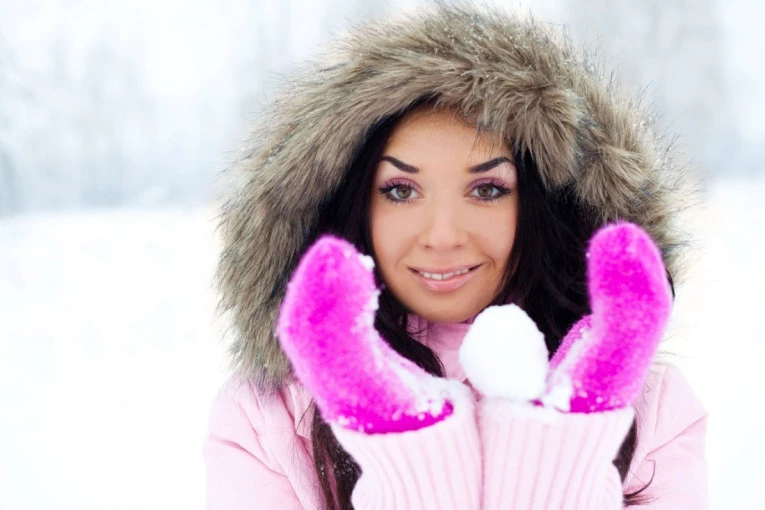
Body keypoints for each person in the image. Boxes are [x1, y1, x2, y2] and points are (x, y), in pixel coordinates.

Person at [204, 4, 707, 509]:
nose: (442, 236)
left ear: (545, 204)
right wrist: (409, 458)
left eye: (487, 190)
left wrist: (562, 459)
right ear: (350, 204)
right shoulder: (268, 420)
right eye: (400, 190)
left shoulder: (650, 406)